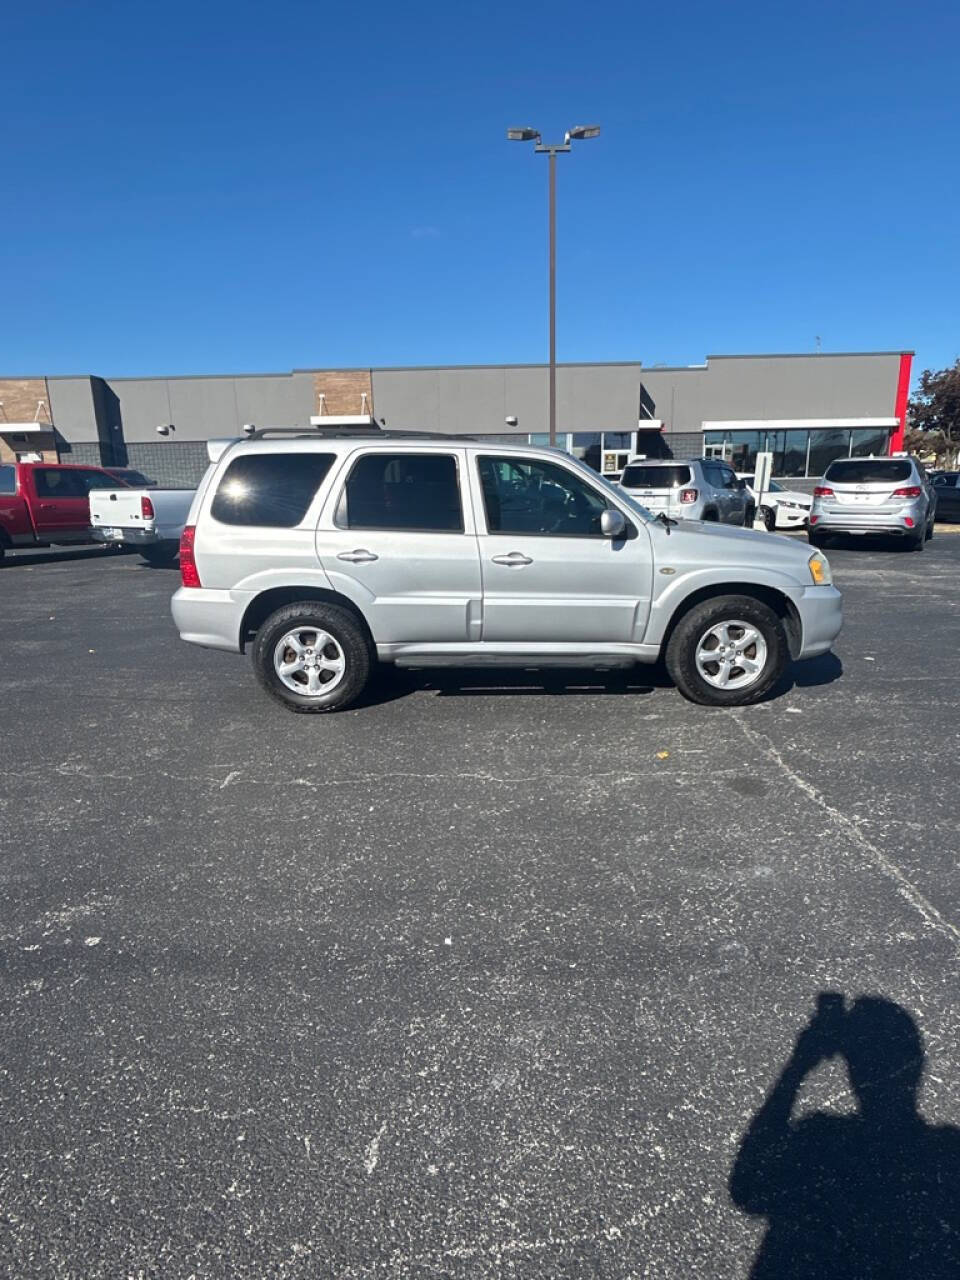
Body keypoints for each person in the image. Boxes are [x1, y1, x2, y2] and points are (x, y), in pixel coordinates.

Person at [730, 994, 960, 1278]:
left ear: (853, 1069)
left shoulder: (821, 1143)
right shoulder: (948, 1156)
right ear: (916, 1065)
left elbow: (747, 1187)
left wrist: (797, 1067)